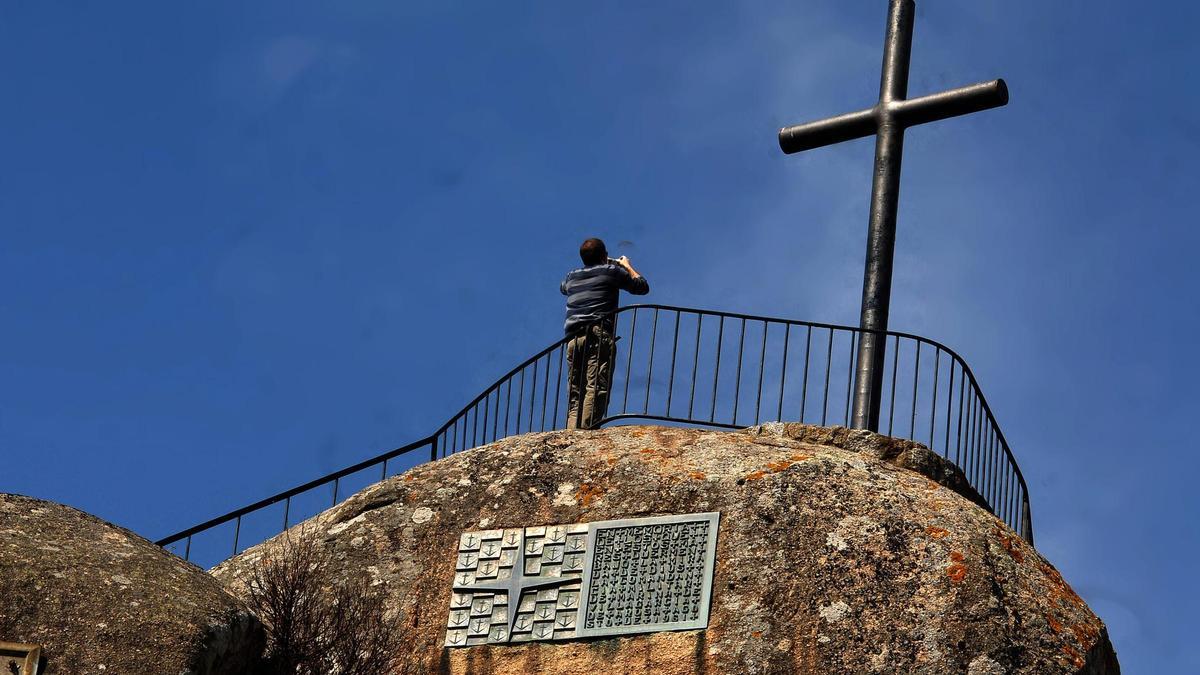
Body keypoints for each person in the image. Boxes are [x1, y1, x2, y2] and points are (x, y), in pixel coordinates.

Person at [561, 238, 649, 429]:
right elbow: (641, 287)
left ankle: (571, 433)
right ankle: (585, 434)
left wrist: (600, 263)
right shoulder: (612, 271)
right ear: (604, 255)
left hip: (573, 340)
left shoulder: (571, 276)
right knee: (595, 386)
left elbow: (563, 288)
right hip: (597, 335)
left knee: (576, 391)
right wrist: (626, 265)